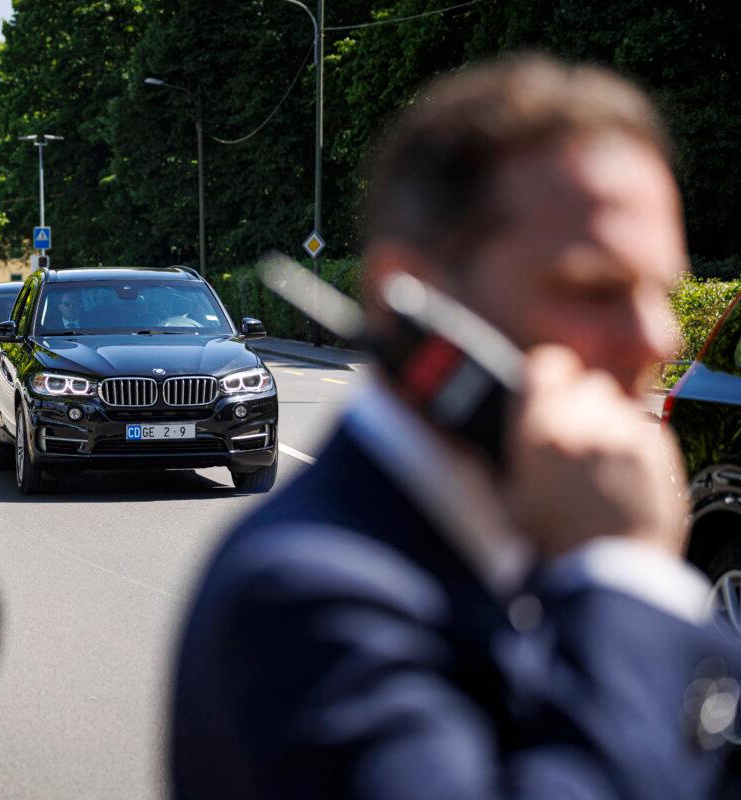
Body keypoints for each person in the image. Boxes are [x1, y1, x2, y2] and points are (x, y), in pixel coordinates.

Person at [171, 55, 741, 799]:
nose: (657, 339)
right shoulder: (300, 602)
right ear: (406, 300)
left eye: (661, 289)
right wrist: (628, 576)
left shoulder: (550, 524)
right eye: (592, 288)